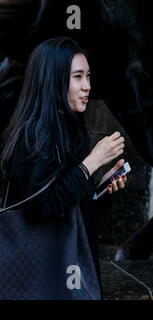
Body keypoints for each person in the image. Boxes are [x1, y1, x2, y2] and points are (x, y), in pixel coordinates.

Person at [0, 37, 127, 299]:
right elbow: (40, 208)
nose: (87, 86)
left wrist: (102, 188)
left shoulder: (68, 127)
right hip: (42, 272)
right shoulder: (34, 135)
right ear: (52, 79)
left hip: (67, 264)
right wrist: (92, 161)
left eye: (89, 76)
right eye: (78, 77)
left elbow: (69, 205)